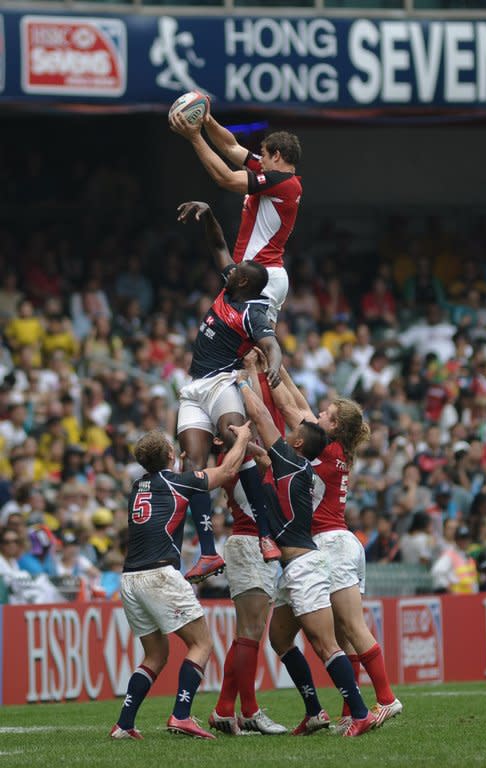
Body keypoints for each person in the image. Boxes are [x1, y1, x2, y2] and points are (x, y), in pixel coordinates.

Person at [260, 358, 402, 729]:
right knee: (331, 632)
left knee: (351, 628)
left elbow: (291, 408)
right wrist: (279, 369)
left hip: (328, 543)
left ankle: (386, 699)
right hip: (330, 543)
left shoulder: (322, 446)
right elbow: (298, 400)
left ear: (334, 425)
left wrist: (261, 375)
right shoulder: (335, 449)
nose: (318, 413)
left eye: (325, 412)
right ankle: (341, 712)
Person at [237, 373, 377, 738]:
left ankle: (360, 712)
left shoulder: (291, 462)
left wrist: (242, 383)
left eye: (292, 433)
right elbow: (265, 456)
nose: (286, 434)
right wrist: (243, 445)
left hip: (305, 566)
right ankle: (315, 710)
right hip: (294, 565)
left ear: (297, 442)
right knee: (280, 638)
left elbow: (268, 417)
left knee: (326, 643)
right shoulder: (293, 465)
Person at [110, 422, 252, 741]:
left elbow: (168, 480)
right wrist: (242, 437)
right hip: (159, 575)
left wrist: (176, 464)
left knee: (155, 655)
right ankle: (182, 715)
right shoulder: (179, 482)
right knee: (201, 644)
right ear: (172, 454)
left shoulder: (138, 485)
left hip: (130, 578)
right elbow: (227, 470)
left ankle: (124, 723)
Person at [176, 201, 284, 583]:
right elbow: (218, 244)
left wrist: (274, 360)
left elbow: (270, 342)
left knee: (236, 439)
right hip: (194, 389)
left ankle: (267, 534)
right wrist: (208, 212)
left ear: (241, 282)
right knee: (192, 466)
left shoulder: (252, 310)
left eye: (236, 270)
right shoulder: (230, 285)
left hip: (223, 382)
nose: (231, 266)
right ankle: (207, 553)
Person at [209, 354, 286, 736]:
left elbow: (261, 431)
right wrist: (247, 378)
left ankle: (226, 709)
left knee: (248, 633)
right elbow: (257, 436)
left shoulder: (246, 457)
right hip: (248, 544)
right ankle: (249, 709)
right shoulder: (234, 459)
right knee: (250, 632)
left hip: (253, 545)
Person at [170, 110, 302, 324]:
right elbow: (231, 147)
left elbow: (226, 179)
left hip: (261, 275)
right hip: (257, 275)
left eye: (265, 156)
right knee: (248, 352)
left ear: (276, 156)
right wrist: (207, 120)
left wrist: (195, 137)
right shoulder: (278, 178)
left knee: (252, 351)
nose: (261, 161)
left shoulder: (282, 182)